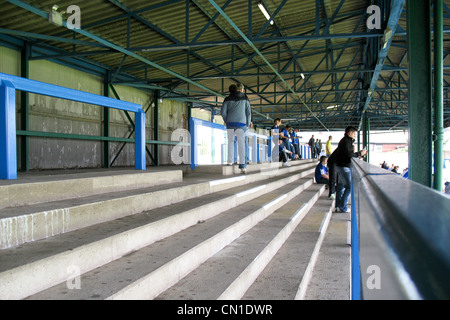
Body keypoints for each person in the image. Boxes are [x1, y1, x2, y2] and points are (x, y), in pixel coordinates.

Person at [334, 126, 367, 213]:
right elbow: (349, 154)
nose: (355, 135)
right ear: (350, 133)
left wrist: (358, 154)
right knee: (349, 186)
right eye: (354, 134)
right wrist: (359, 153)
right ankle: (342, 206)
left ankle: (338, 205)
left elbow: (349, 154)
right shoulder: (346, 141)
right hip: (343, 167)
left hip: (341, 166)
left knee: (341, 187)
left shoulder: (346, 141)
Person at [221, 83, 252, 174]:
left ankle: (230, 161)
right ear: (242, 90)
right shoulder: (245, 98)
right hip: (241, 124)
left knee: (230, 142)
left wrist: (227, 120)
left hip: (230, 123)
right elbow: (248, 112)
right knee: (241, 144)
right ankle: (243, 167)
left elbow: (223, 112)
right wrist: (247, 123)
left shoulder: (227, 99)